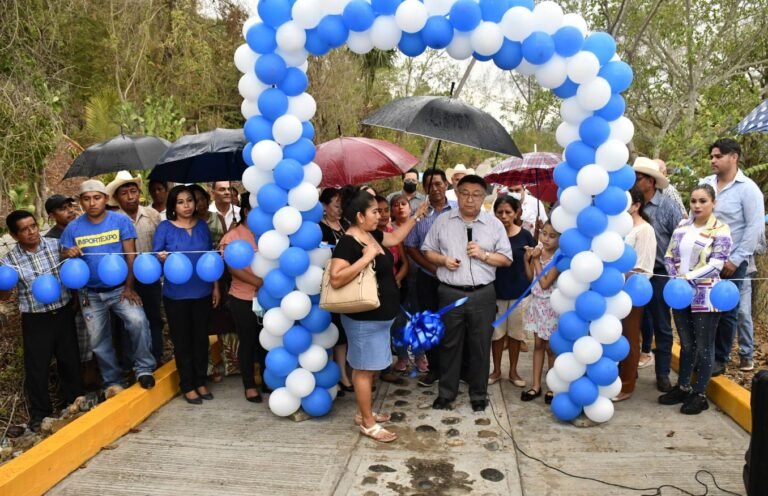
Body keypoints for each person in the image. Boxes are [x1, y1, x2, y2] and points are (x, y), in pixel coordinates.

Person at [328, 187, 428, 442]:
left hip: (379, 318)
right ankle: (367, 423)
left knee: (369, 368)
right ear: (360, 216)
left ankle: (365, 412)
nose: (379, 215)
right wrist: (366, 258)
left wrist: (416, 217)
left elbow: (395, 240)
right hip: (364, 321)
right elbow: (336, 278)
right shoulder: (349, 242)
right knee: (363, 370)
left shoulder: (370, 234)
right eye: (374, 211)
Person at [423, 175, 513, 412]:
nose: (469, 199)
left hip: (483, 294)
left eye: (475, 194)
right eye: (464, 193)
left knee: (480, 345)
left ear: (484, 198)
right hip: (450, 293)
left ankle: (478, 394)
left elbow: (506, 259)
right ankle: (446, 393)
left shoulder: (494, 225)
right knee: (449, 345)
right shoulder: (442, 221)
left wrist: (483, 254)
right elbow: (427, 251)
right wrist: (443, 260)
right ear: (456, 193)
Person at [60, 180, 156, 396]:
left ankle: (143, 369)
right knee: (98, 339)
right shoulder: (73, 227)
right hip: (90, 293)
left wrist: (130, 287)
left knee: (138, 321)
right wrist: (68, 253)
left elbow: (130, 256)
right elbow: (64, 255)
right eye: (86, 199)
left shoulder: (120, 221)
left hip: (120, 288)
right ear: (81, 202)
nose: (92, 203)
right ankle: (112, 381)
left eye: (96, 197)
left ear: (105, 198)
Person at [1, 211, 83, 432]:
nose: (32, 232)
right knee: (37, 367)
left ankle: (75, 403)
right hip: (35, 319)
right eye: (25, 229)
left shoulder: (55, 246)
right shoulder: (10, 261)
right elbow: (5, 296)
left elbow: (71, 269)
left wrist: (72, 254)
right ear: (14, 235)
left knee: (70, 360)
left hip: (63, 312)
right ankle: (40, 415)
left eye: (33, 226)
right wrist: (3, 284)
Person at [660, 184, 732, 414]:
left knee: (704, 345)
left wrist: (687, 278)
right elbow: (670, 254)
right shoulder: (682, 225)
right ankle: (683, 386)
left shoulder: (720, 229)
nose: (697, 205)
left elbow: (717, 263)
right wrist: (675, 277)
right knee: (686, 343)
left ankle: (700, 393)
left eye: (703, 201)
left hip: (706, 295)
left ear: (713, 203)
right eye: (693, 201)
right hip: (680, 294)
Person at [700, 138, 765, 374]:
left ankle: (720, 358)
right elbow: (695, 214)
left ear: (734, 157)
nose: (713, 160)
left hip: (731, 262)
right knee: (704, 307)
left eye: (718, 156)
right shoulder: (705, 183)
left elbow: (754, 228)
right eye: (712, 156)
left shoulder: (748, 189)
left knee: (727, 310)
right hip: (705, 259)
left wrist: (736, 260)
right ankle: (705, 353)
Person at [153, 185, 220, 404]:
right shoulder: (164, 228)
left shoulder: (202, 226)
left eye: (189, 200)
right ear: (173, 205)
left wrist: (216, 287)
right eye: (180, 202)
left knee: (201, 339)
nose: (186, 206)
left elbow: (211, 259)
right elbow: (155, 257)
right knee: (182, 341)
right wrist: (161, 258)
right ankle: (187, 385)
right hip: (176, 295)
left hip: (202, 291)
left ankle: (201, 381)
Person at [633, 156, 684, 393]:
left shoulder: (668, 206)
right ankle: (628, 369)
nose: (634, 181)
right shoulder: (631, 203)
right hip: (634, 274)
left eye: (639, 177)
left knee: (662, 324)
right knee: (632, 322)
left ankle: (662, 373)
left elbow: (682, 236)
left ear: (651, 182)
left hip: (661, 273)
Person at [107, 171, 164, 365]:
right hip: (125, 280)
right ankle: (132, 363)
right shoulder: (112, 219)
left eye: (133, 191)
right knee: (129, 323)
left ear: (139, 192)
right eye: (125, 193)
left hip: (151, 277)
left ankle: (157, 356)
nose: (130, 196)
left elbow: (162, 242)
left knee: (154, 318)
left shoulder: (152, 215)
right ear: (116, 197)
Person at [404, 169, 454, 386]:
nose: (435, 188)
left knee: (454, 323)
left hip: (454, 278)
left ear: (446, 185)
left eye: (438, 184)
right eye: (430, 185)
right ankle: (434, 369)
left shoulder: (459, 209)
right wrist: (432, 269)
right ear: (424, 188)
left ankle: (456, 369)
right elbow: (410, 246)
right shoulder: (419, 212)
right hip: (428, 277)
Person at [220, 192, 266, 403]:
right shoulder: (232, 237)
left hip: (269, 297)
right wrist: (259, 283)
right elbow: (233, 269)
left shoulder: (269, 233)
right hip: (243, 297)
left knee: (267, 341)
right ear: (247, 211)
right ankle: (249, 385)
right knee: (247, 342)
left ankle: (268, 379)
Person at [615, 187, 657, 402]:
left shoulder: (644, 230)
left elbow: (644, 266)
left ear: (636, 205)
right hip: (612, 292)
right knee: (615, 336)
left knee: (630, 338)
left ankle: (627, 384)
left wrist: (620, 277)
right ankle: (623, 375)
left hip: (632, 291)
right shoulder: (619, 227)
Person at [488, 196, 535, 388]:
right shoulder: (489, 234)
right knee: (496, 335)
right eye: (500, 212)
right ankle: (496, 370)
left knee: (516, 335)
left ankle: (513, 371)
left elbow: (533, 264)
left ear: (516, 213)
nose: (504, 216)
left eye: (508, 212)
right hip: (495, 292)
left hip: (519, 294)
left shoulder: (525, 236)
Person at [520, 221, 560, 404]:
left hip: (552, 306)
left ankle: (553, 386)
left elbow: (545, 284)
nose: (546, 239)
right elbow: (531, 279)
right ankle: (536, 385)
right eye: (544, 234)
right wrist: (527, 259)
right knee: (538, 345)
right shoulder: (538, 251)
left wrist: (536, 260)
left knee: (552, 348)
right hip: (537, 305)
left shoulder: (559, 259)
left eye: (552, 236)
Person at [388, 193, 428, 373]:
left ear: (410, 207)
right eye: (395, 205)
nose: (400, 207)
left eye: (403, 203)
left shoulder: (419, 225)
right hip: (398, 283)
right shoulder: (388, 229)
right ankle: (403, 356)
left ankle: (420, 355)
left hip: (419, 278)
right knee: (399, 322)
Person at [319, 187, 353, 393]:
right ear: (324, 206)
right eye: (336, 206)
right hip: (328, 285)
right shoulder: (318, 229)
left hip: (348, 285)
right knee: (331, 331)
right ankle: (332, 376)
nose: (340, 210)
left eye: (342, 206)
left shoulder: (346, 225)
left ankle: (342, 373)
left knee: (343, 332)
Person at [375, 195, 411, 378]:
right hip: (374, 292)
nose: (382, 215)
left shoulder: (394, 233)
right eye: (377, 211)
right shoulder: (368, 234)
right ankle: (376, 371)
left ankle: (389, 366)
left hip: (394, 289)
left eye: (385, 210)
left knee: (394, 327)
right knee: (377, 332)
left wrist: (398, 278)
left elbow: (405, 263)